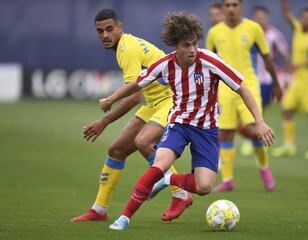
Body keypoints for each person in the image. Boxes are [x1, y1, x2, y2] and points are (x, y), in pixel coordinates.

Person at [97, 11, 274, 231]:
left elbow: (242, 88)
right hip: (178, 125)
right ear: (175, 45)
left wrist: (259, 121)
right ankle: (124, 217)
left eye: (194, 44)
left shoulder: (210, 61)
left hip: (207, 129)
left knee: (204, 186)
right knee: (158, 165)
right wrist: (110, 99)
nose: (192, 50)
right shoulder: (165, 65)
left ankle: (169, 181)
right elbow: (136, 84)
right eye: (185, 45)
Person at [70, 9, 192, 223]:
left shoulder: (126, 48)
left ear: (120, 27)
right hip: (155, 103)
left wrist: (104, 121)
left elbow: (133, 97)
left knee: (144, 141)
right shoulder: (124, 47)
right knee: (116, 150)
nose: (105, 35)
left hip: (172, 100)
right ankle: (99, 210)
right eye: (100, 31)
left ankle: (180, 194)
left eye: (110, 29)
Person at [206, 0, 282, 192]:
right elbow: (208, 65)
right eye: (228, 5)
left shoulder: (254, 28)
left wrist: (276, 84)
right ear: (223, 8)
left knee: (255, 128)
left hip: (248, 85)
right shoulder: (214, 33)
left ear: (241, 7)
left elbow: (267, 58)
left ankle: (264, 168)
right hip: (224, 88)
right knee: (225, 133)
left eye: (235, 5)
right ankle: (228, 180)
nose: (231, 8)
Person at [272, 0, 308, 160]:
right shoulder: (298, 29)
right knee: (287, 109)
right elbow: (288, 15)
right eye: (303, 18)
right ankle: (289, 146)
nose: (305, 21)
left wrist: (297, 64)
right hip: (298, 81)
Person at [239, 5, 290, 157]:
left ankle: (259, 138)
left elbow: (285, 54)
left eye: (262, 16)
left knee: (259, 111)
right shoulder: (247, 33)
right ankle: (254, 139)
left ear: (267, 17)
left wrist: (285, 77)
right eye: (257, 16)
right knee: (251, 111)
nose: (260, 19)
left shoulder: (274, 35)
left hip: (266, 80)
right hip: (250, 79)